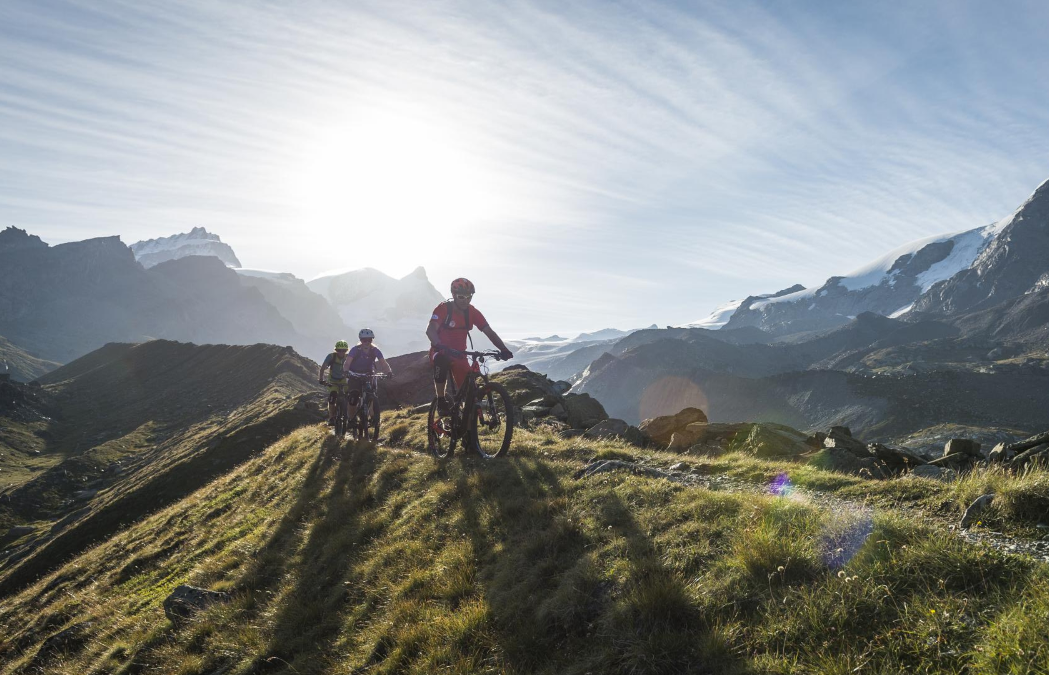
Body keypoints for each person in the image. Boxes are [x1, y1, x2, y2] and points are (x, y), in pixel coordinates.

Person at [426, 278, 513, 413]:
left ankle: (467, 423)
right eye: (461, 297)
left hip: (460, 354)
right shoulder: (443, 309)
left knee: (469, 392)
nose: (465, 300)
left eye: (469, 297)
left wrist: (504, 349)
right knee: (441, 361)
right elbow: (430, 330)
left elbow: (489, 332)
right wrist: (439, 345)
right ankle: (441, 401)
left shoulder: (473, 312)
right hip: (441, 350)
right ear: (454, 295)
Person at [344, 328, 393, 423]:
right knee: (353, 397)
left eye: (369, 340)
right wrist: (346, 371)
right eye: (364, 340)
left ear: (372, 340)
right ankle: (351, 419)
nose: (366, 342)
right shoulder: (355, 350)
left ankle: (373, 417)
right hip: (354, 375)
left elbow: (383, 363)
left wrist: (389, 372)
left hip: (369, 374)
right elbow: (347, 363)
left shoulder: (375, 350)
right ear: (360, 340)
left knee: (371, 394)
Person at [318, 339, 351, 426]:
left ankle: (351, 416)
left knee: (350, 397)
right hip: (333, 380)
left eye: (344, 350)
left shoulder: (348, 358)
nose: (341, 352)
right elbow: (322, 368)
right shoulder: (331, 357)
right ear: (336, 350)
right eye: (339, 350)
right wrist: (321, 379)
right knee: (332, 397)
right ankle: (331, 417)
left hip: (344, 380)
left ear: (346, 351)